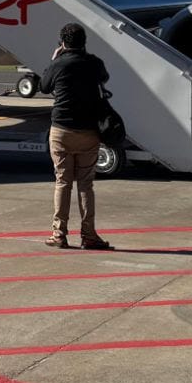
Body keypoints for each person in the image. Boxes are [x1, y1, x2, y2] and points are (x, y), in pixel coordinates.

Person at [40, 22, 113, 252]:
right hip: (89, 131)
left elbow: (43, 86)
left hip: (61, 130)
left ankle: (58, 234)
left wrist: (55, 59)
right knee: (86, 185)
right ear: (83, 42)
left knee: (62, 181)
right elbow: (105, 77)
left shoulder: (59, 63)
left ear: (62, 43)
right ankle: (89, 235)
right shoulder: (94, 63)